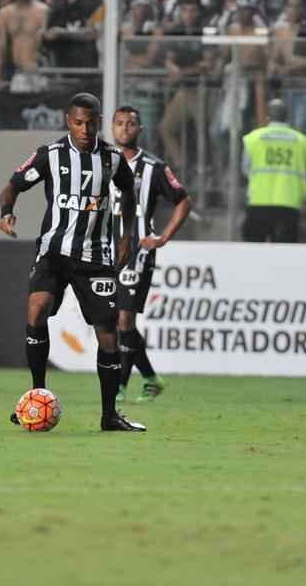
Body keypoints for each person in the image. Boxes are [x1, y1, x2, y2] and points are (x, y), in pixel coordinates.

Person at [0, 92, 146, 432]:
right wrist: (7, 212)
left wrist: (126, 237)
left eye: (91, 123)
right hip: (53, 252)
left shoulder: (111, 158)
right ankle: (37, 394)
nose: (85, 129)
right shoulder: (49, 155)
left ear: (98, 122)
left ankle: (109, 415)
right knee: (36, 310)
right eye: (79, 123)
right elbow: (12, 186)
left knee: (108, 335)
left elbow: (129, 192)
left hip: (95, 258)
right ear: (68, 121)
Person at [111, 105, 191, 403]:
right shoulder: (101, 162)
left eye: (130, 124)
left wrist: (163, 237)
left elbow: (183, 200)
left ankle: (119, 387)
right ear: (112, 128)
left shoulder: (154, 168)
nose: (124, 129)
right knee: (112, 320)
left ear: (139, 130)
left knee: (124, 318)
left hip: (137, 250)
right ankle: (150, 378)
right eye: (119, 123)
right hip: (105, 248)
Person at [242, 98, 306, 243]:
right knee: (285, 254)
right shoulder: (303, 142)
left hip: (259, 201)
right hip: (289, 203)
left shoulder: (253, 139)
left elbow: (245, 169)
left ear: (267, 117)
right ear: (288, 117)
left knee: (253, 252)